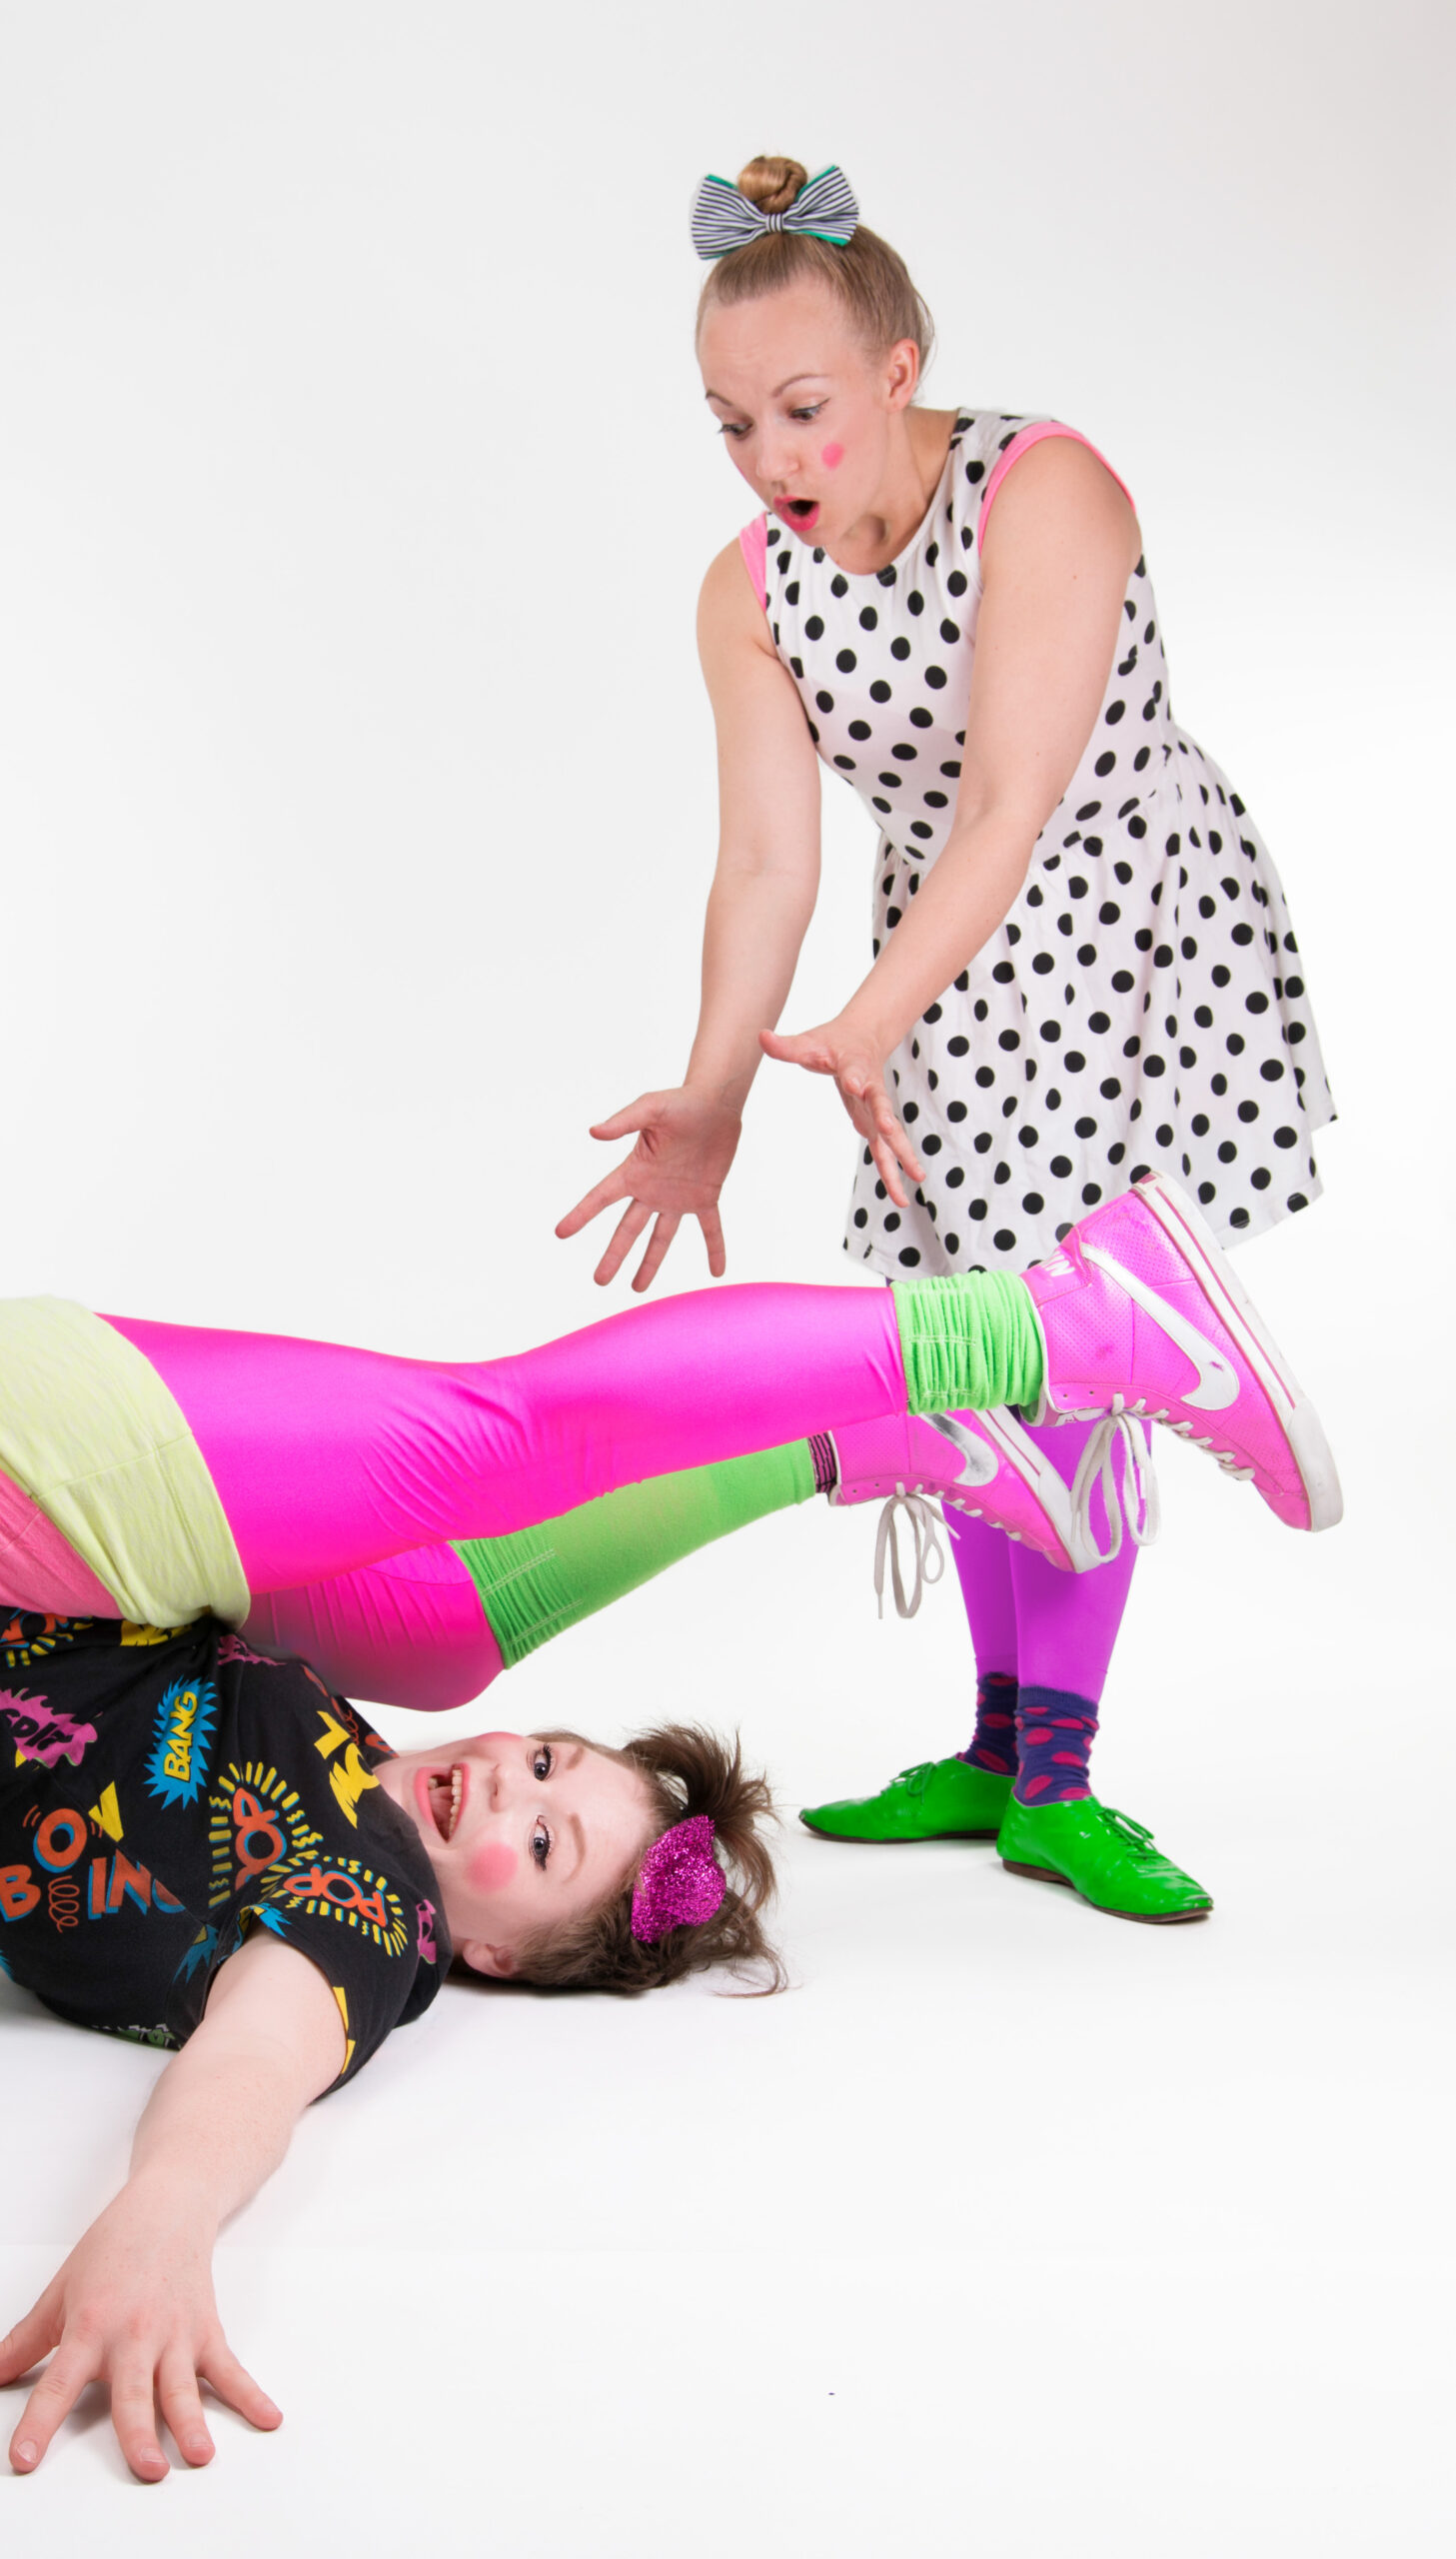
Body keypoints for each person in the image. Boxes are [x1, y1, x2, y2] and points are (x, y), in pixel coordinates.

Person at [0, 1173, 1333, 2476]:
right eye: (545, 1762)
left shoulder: (364, 1914)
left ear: (492, 1958)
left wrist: (163, 2216)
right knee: (470, 1540)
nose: (505, 1782)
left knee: (475, 1516)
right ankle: (985, 1368)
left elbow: (256, 2056)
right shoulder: (338, 1767)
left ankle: (982, 1378)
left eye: (539, 1843)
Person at [558, 158, 1335, 1919]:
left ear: (898, 368)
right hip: (937, 958)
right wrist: (713, 1093)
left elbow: (1010, 800)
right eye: (730, 423)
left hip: (1119, 923)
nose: (768, 456)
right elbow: (767, 862)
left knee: (1077, 1346)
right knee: (964, 1347)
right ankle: (993, 1746)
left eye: (802, 408)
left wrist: (871, 1018)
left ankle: (1060, 1777)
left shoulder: (1045, 489)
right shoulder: (747, 589)